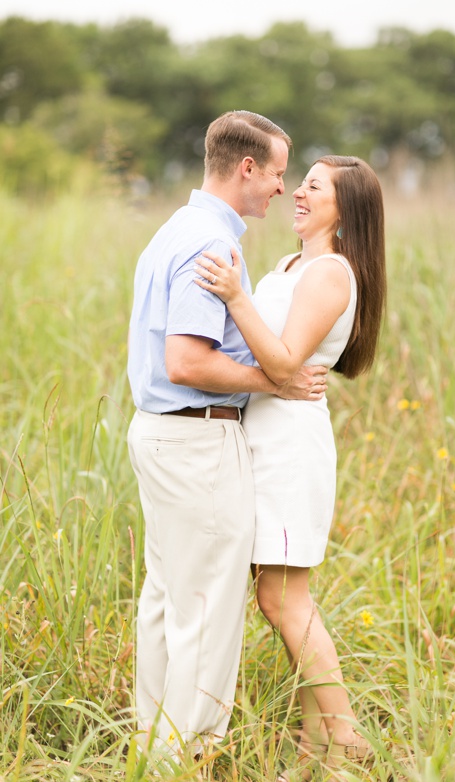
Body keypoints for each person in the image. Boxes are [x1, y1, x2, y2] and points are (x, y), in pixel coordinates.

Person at [126, 110, 328, 760]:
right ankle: (189, 760)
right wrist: (278, 384)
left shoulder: (175, 230)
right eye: (275, 173)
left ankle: (152, 754)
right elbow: (185, 362)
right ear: (246, 168)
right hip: (195, 443)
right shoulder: (211, 243)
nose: (281, 187)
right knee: (206, 613)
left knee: (167, 600)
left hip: (163, 436)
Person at [193, 153, 386, 778]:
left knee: (284, 599)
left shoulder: (331, 273)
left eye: (313, 187)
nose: (297, 193)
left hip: (289, 446)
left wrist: (233, 293)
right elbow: (272, 365)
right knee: (274, 593)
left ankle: (348, 738)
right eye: (298, 183)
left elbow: (282, 362)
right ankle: (311, 750)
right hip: (260, 436)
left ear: (345, 206)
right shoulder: (288, 265)